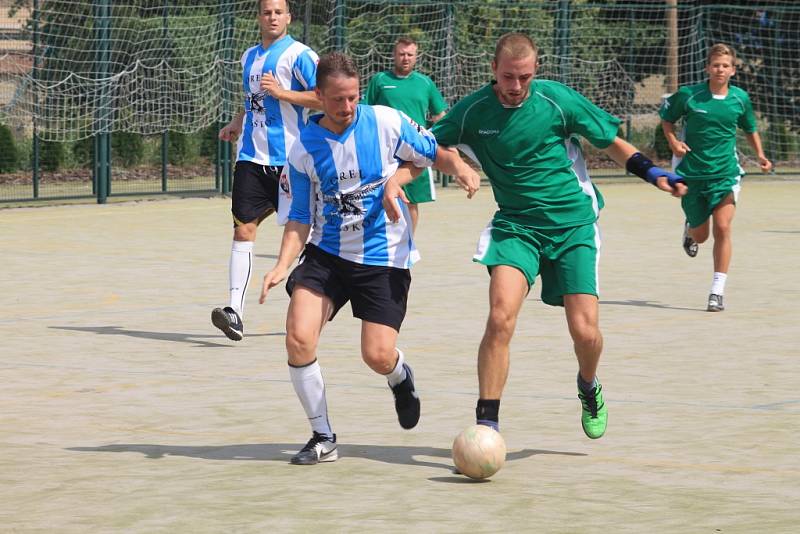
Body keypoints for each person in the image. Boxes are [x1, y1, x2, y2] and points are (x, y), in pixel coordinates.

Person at [429, 33, 686, 440]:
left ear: (536, 71)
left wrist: (652, 172)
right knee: (500, 318)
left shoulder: (556, 100)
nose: (516, 86)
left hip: (573, 226)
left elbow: (611, 143)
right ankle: (487, 424)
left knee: (585, 332)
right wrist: (453, 164)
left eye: (525, 77)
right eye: (509, 77)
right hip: (516, 226)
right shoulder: (472, 111)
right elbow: (429, 145)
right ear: (493, 70)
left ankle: (588, 385)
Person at [258, 52, 480, 465]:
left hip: (384, 257)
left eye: (352, 97)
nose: (346, 107)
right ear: (319, 96)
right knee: (299, 336)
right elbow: (301, 217)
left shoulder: (385, 121)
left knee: (376, 355)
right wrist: (282, 264)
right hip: (327, 255)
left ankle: (399, 376)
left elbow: (433, 151)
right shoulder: (304, 148)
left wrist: (461, 168)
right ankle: (322, 437)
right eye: (337, 99)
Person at [211, 0, 321, 341]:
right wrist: (236, 121)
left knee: (306, 235)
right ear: (259, 17)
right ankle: (234, 311)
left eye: (278, 12)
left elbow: (325, 96)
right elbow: (252, 101)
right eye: (266, 12)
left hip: (292, 162)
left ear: (288, 17)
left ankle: (307, 291)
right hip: (251, 158)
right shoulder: (248, 57)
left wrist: (283, 92)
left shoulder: (301, 55)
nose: (272, 17)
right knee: (243, 231)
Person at [660, 43, 772, 312]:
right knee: (701, 236)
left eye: (725, 66)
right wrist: (674, 143)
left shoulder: (739, 99)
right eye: (715, 65)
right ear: (707, 68)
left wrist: (760, 155)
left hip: (726, 173)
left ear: (733, 70)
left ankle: (717, 291)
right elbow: (667, 120)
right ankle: (690, 230)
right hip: (692, 174)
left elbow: (750, 128)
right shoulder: (689, 95)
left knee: (723, 227)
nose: (720, 69)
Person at [363, 36, 448, 233]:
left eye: (410, 54)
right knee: (378, 197)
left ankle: (408, 243)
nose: (405, 58)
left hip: (416, 152)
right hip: (385, 151)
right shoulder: (380, 80)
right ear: (394, 55)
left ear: (416, 57)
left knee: (411, 202)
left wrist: (441, 145)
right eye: (401, 54)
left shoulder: (425, 83)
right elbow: (366, 111)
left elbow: (440, 117)